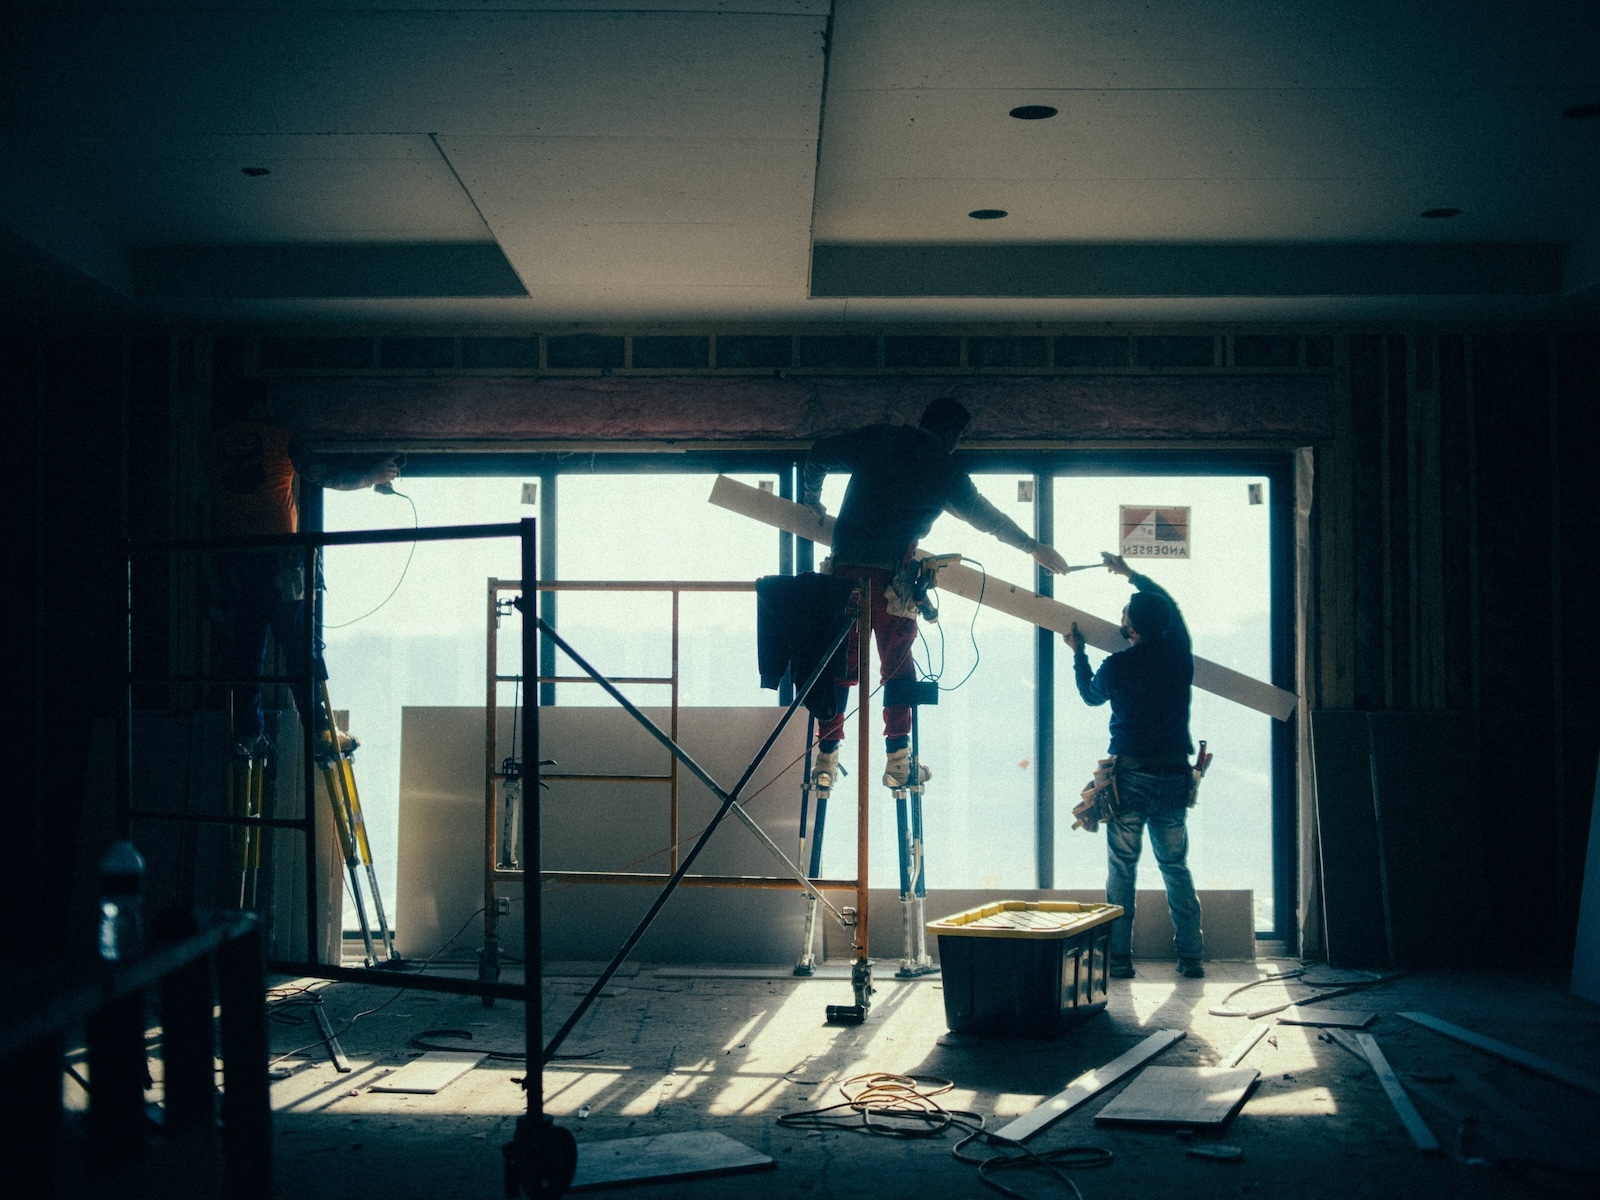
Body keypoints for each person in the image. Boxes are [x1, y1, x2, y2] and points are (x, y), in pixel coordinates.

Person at [800, 397, 1070, 789]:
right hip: (893, 581)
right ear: (954, 439)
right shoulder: (946, 471)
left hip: (844, 577)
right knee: (896, 667)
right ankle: (897, 761)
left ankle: (826, 758)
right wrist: (1032, 546)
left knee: (840, 666)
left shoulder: (881, 439)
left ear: (922, 420)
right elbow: (988, 519)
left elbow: (820, 452)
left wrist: (812, 498)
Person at [204, 378, 400, 756]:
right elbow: (327, 475)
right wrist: (374, 475)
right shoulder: (279, 439)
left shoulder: (209, 444)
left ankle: (248, 734)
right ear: (260, 405)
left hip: (231, 561)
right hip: (280, 559)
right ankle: (320, 732)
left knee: (245, 651)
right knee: (299, 647)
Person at [1065, 553, 1203, 980]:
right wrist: (1131, 575)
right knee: (1175, 867)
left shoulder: (1119, 665)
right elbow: (1170, 606)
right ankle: (1191, 958)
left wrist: (1078, 653)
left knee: (1122, 868)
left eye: (1125, 614)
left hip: (1130, 778)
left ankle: (1120, 960)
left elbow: (1090, 695)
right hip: (1174, 775)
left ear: (1130, 627)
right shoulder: (1180, 655)